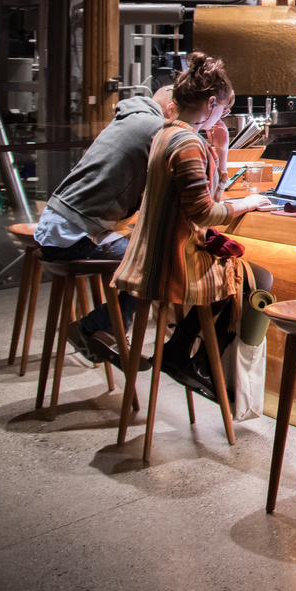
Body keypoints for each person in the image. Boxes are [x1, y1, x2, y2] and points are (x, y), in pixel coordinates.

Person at [111, 53, 274, 399]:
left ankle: (180, 353)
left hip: (150, 254)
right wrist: (247, 203)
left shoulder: (167, 134)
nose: (223, 119)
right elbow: (204, 213)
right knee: (256, 281)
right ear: (211, 103)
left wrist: (222, 155)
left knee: (241, 273)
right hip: (172, 261)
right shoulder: (187, 144)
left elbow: (206, 199)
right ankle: (192, 359)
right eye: (225, 112)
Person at [38, 85, 174, 366]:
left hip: (55, 225)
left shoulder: (127, 119)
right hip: (72, 234)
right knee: (154, 263)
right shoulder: (156, 128)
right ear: (173, 111)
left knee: (144, 253)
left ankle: (107, 332)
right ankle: (94, 328)